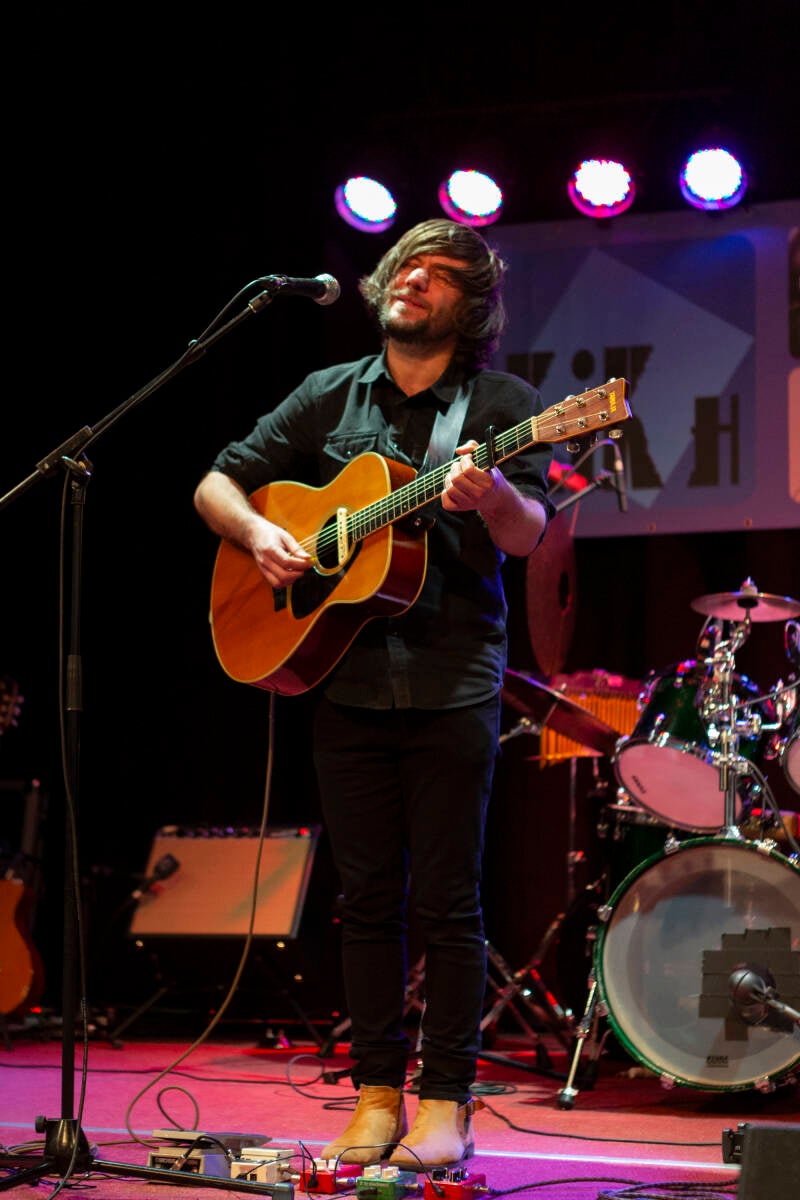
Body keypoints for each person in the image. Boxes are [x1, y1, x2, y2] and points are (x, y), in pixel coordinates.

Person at [193, 218, 554, 1168]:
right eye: (406, 267)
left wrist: (492, 497)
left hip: (452, 679)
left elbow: (528, 533)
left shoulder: (504, 403)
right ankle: (376, 1096)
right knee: (366, 901)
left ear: (469, 307)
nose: (413, 280)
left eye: (439, 275)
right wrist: (261, 535)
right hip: (345, 680)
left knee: (448, 901)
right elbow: (217, 484)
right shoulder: (330, 393)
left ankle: (446, 1101)